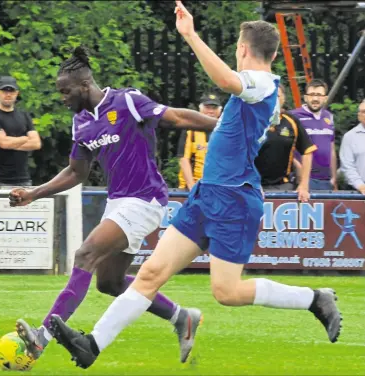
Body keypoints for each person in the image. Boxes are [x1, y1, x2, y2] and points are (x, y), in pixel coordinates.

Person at [48, 2, 342, 369]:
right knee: (150, 274)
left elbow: (226, 81)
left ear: (243, 49)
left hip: (234, 198)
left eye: (236, 45)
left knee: (227, 292)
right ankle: (91, 345)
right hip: (207, 195)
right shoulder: (255, 87)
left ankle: (314, 298)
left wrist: (189, 34)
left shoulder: (263, 82)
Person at [9, 46, 219, 364]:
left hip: (146, 200)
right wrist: (35, 193)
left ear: (84, 85)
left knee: (84, 255)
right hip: (118, 204)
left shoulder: (127, 102)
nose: (62, 98)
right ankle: (181, 317)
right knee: (110, 283)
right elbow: (76, 172)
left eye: (65, 92)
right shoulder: (80, 123)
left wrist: (222, 126)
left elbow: (175, 117)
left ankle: (41, 338)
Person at [255, 84, 316, 201]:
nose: (273, 100)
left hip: (283, 185)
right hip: (253, 186)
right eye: (269, 96)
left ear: (283, 99)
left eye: (277, 96)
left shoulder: (291, 121)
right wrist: (251, 183)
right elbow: (240, 154)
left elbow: (307, 151)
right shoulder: (253, 119)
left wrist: (304, 184)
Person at [0, 76, 41, 186]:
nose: (8, 94)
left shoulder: (24, 115)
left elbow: (36, 143)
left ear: (17, 93)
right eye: (5, 91)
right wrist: (25, 138)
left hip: (23, 178)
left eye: (12, 91)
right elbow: (3, 143)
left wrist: (10, 142)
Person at [290, 79, 337, 191]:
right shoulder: (294, 116)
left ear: (325, 98)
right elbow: (286, 148)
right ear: (305, 97)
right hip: (303, 179)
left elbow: (332, 148)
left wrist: (334, 178)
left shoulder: (329, 117)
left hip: (326, 180)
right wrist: (299, 171)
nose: (315, 99)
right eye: (311, 95)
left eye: (319, 95)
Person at [177, 93, 222, 190]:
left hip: (219, 187)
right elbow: (183, 159)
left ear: (220, 110)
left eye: (214, 108)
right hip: (191, 187)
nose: (210, 111)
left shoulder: (226, 131)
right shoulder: (190, 130)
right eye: (207, 107)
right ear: (200, 109)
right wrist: (192, 187)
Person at [339, 99, 365, 195]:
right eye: (362, 112)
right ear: (358, 116)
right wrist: (361, 186)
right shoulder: (350, 137)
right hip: (358, 192)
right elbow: (347, 167)